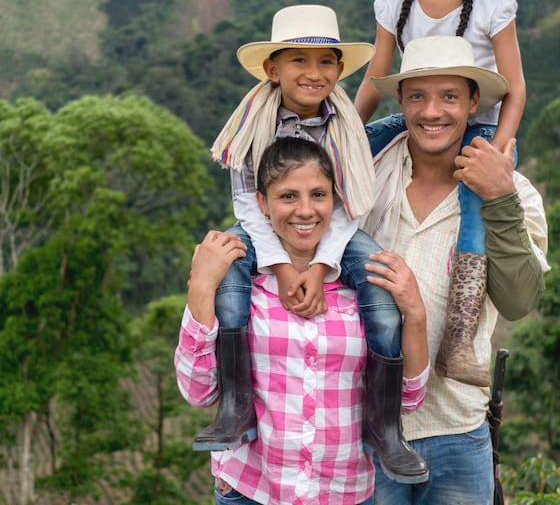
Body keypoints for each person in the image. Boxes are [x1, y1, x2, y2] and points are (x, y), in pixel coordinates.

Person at [200, 4, 427, 482]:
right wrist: (282, 266)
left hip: (334, 226)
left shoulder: (344, 126)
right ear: (272, 68)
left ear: (340, 70)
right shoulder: (252, 123)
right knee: (230, 276)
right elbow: (246, 202)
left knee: (380, 285)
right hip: (267, 223)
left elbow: (350, 204)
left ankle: (385, 426)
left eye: (326, 62)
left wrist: (322, 267)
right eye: (298, 61)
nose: (313, 73)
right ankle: (236, 403)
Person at [353, 0, 535, 387]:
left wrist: (497, 153)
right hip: (417, 113)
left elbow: (515, 89)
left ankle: (458, 334)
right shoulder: (393, 3)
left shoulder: (494, 6)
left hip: (479, 123)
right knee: (338, 159)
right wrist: (343, 132)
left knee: (477, 205)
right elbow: (374, 77)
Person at [177, 137, 431, 505]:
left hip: (341, 493)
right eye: (288, 196)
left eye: (318, 194)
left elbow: (408, 399)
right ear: (262, 203)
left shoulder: (365, 287)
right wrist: (201, 287)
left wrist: (416, 314)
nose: (305, 210)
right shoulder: (240, 285)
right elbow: (199, 391)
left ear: (337, 202)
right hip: (252, 489)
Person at [363, 35, 549, 505]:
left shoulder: (515, 192)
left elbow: (519, 301)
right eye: (418, 96)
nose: (432, 112)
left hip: (457, 430)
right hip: (365, 427)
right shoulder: (368, 174)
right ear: (401, 101)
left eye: (449, 96)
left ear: (472, 103)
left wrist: (500, 200)